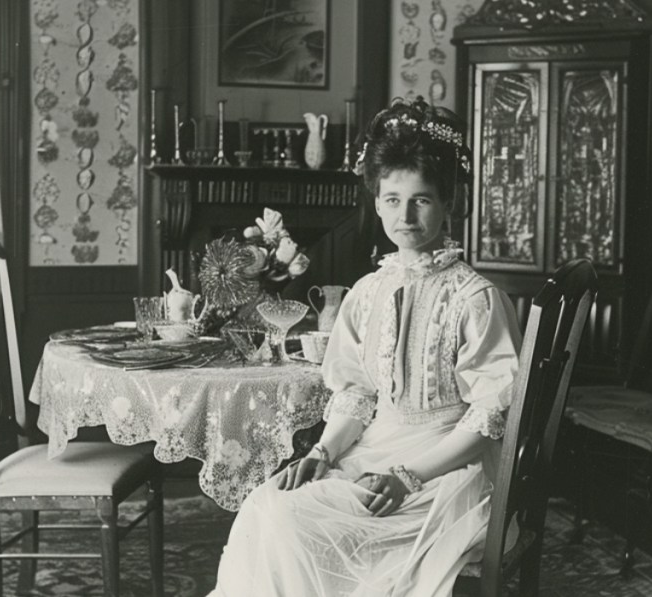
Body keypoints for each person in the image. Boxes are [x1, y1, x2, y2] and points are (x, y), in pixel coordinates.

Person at [208, 97, 523, 597]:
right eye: (393, 200)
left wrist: (407, 477)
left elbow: (490, 417)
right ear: (376, 204)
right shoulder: (366, 293)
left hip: (447, 471)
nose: (407, 215)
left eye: (421, 199)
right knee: (267, 505)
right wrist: (326, 451)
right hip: (373, 447)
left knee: (298, 525)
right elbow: (356, 394)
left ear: (447, 204)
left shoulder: (475, 298)